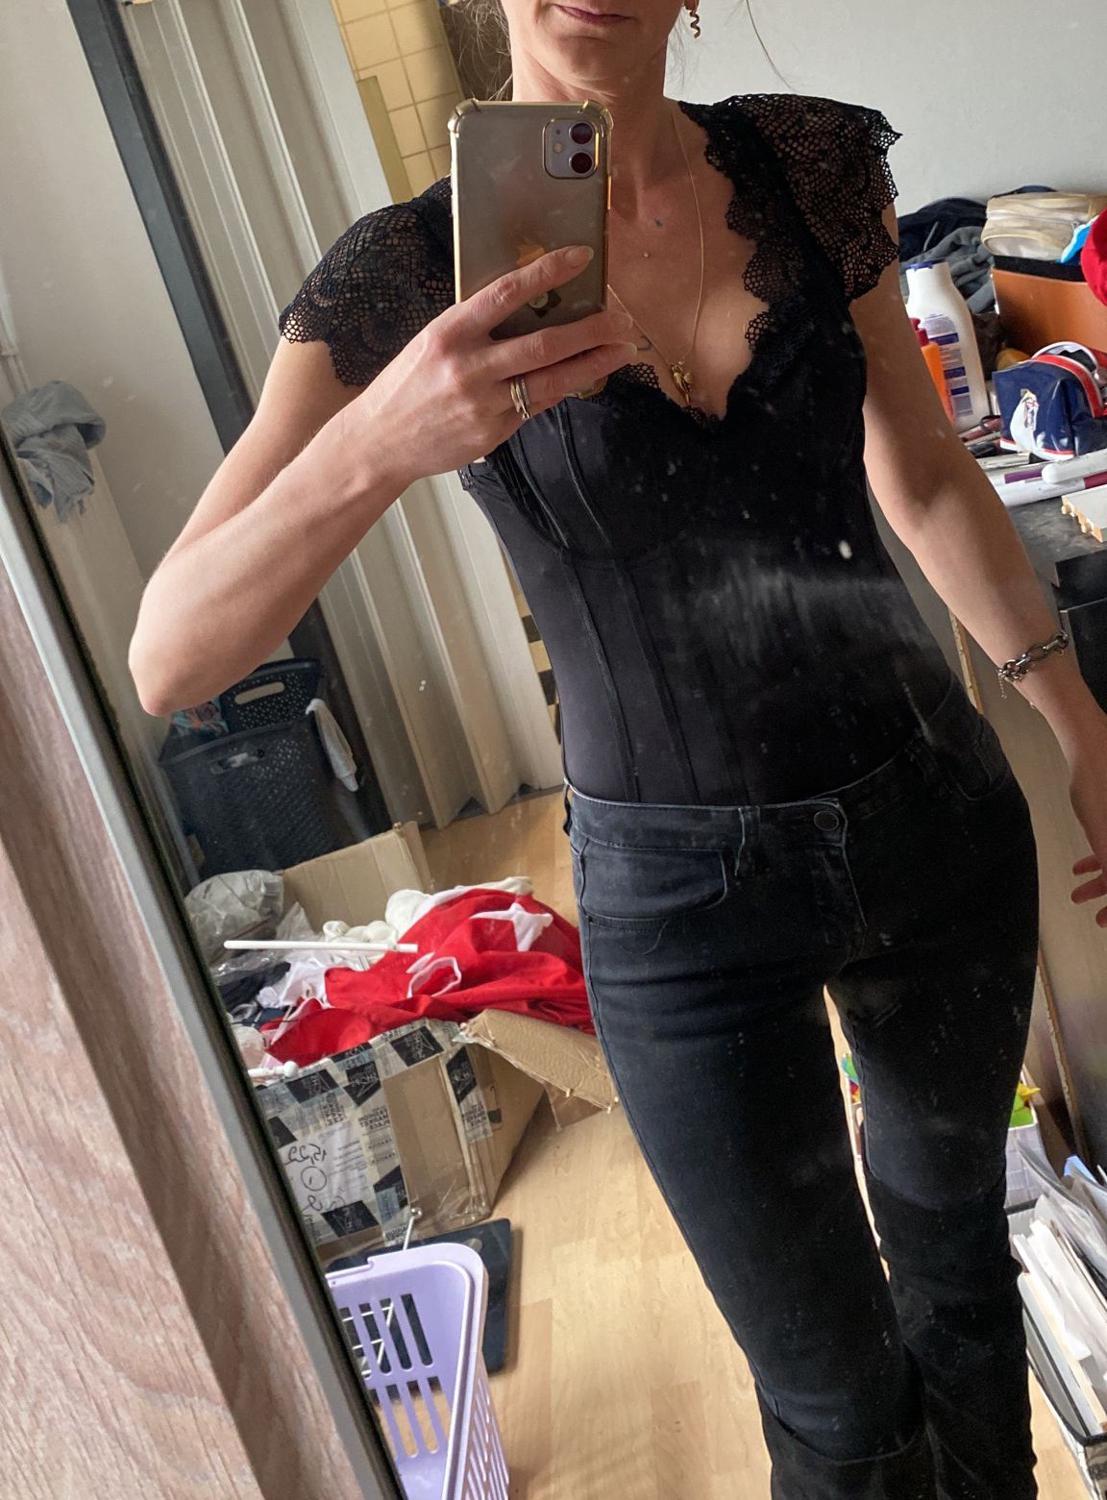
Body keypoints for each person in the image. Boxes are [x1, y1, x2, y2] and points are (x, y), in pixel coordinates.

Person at [129, 4, 1107, 1496]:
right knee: (837, 1406)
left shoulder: (811, 167)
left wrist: (1077, 717)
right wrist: (388, 436)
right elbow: (169, 655)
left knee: (965, 1288)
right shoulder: (408, 271)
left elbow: (918, 469)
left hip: (934, 823)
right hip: (684, 910)